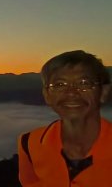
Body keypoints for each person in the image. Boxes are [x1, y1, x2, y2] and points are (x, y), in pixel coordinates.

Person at [18, 50, 112, 186]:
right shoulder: (29, 144)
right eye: (59, 85)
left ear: (103, 92)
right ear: (47, 95)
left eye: (84, 83)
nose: (71, 93)